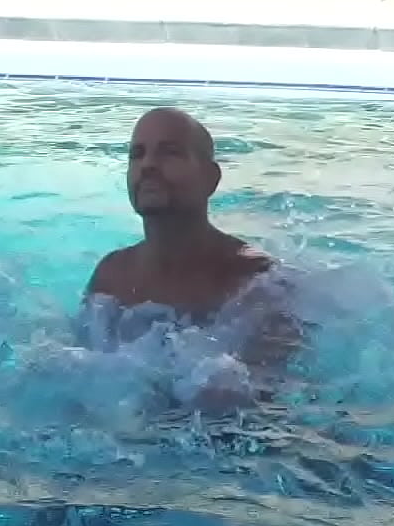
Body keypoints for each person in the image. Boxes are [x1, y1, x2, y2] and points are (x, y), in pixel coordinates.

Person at [81, 107, 302, 411]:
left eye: (169, 153)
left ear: (210, 179)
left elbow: (271, 401)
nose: (148, 165)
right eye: (137, 154)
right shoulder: (112, 276)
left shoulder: (253, 281)